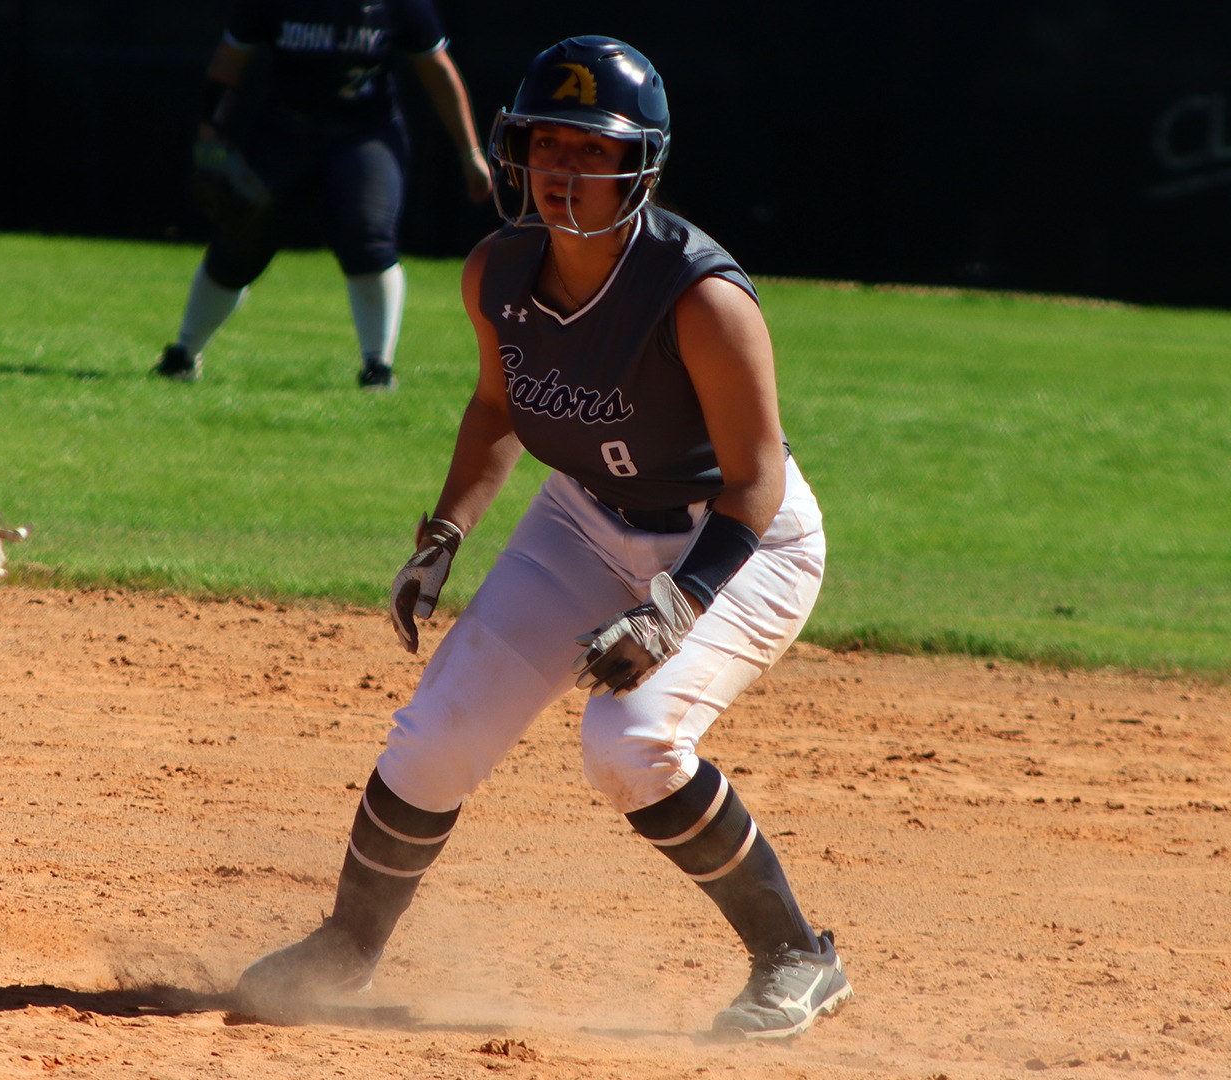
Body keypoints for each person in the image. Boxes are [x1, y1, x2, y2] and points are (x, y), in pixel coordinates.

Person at [234, 36, 853, 1041]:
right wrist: (443, 535)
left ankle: (796, 957)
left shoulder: (700, 297)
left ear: (639, 166)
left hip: (734, 544)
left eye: (591, 149)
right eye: (547, 143)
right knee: (436, 736)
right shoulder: (499, 270)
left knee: (632, 745)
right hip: (581, 518)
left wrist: (677, 604)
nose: (564, 169)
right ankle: (347, 948)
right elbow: (496, 410)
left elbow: (755, 480)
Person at [155, 0, 494, 390]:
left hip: (364, 131)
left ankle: (378, 367)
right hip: (286, 128)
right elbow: (230, 59)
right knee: (241, 239)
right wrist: (209, 136)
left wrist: (470, 153)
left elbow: (437, 70)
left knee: (368, 233)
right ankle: (183, 352)